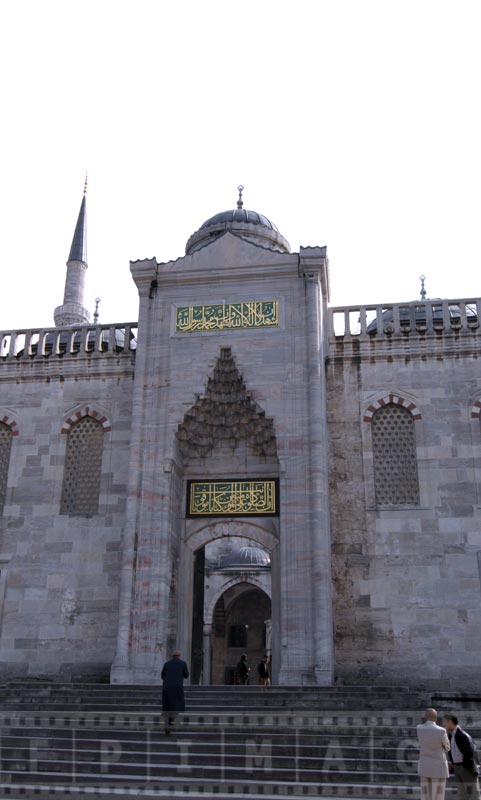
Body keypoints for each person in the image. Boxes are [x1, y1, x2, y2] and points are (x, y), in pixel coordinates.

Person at [443, 714, 480, 799]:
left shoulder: (463, 735)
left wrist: (465, 765)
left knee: (473, 793)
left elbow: (470, 751)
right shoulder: (451, 735)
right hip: (457, 767)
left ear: (451, 722)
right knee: (462, 793)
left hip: (465, 767)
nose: (444, 724)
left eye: (446, 722)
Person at [417, 707, 450, 800]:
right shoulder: (441, 731)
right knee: (438, 795)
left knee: (425, 795)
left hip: (425, 765)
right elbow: (447, 747)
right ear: (436, 718)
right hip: (438, 766)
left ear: (425, 717)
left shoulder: (419, 728)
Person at [161, 649, 189, 734]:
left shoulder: (166, 664)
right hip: (177, 688)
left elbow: (162, 676)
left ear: (172, 656)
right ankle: (173, 720)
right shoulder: (182, 663)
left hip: (167, 688)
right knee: (176, 705)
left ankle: (167, 725)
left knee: (167, 706)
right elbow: (186, 675)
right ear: (179, 656)